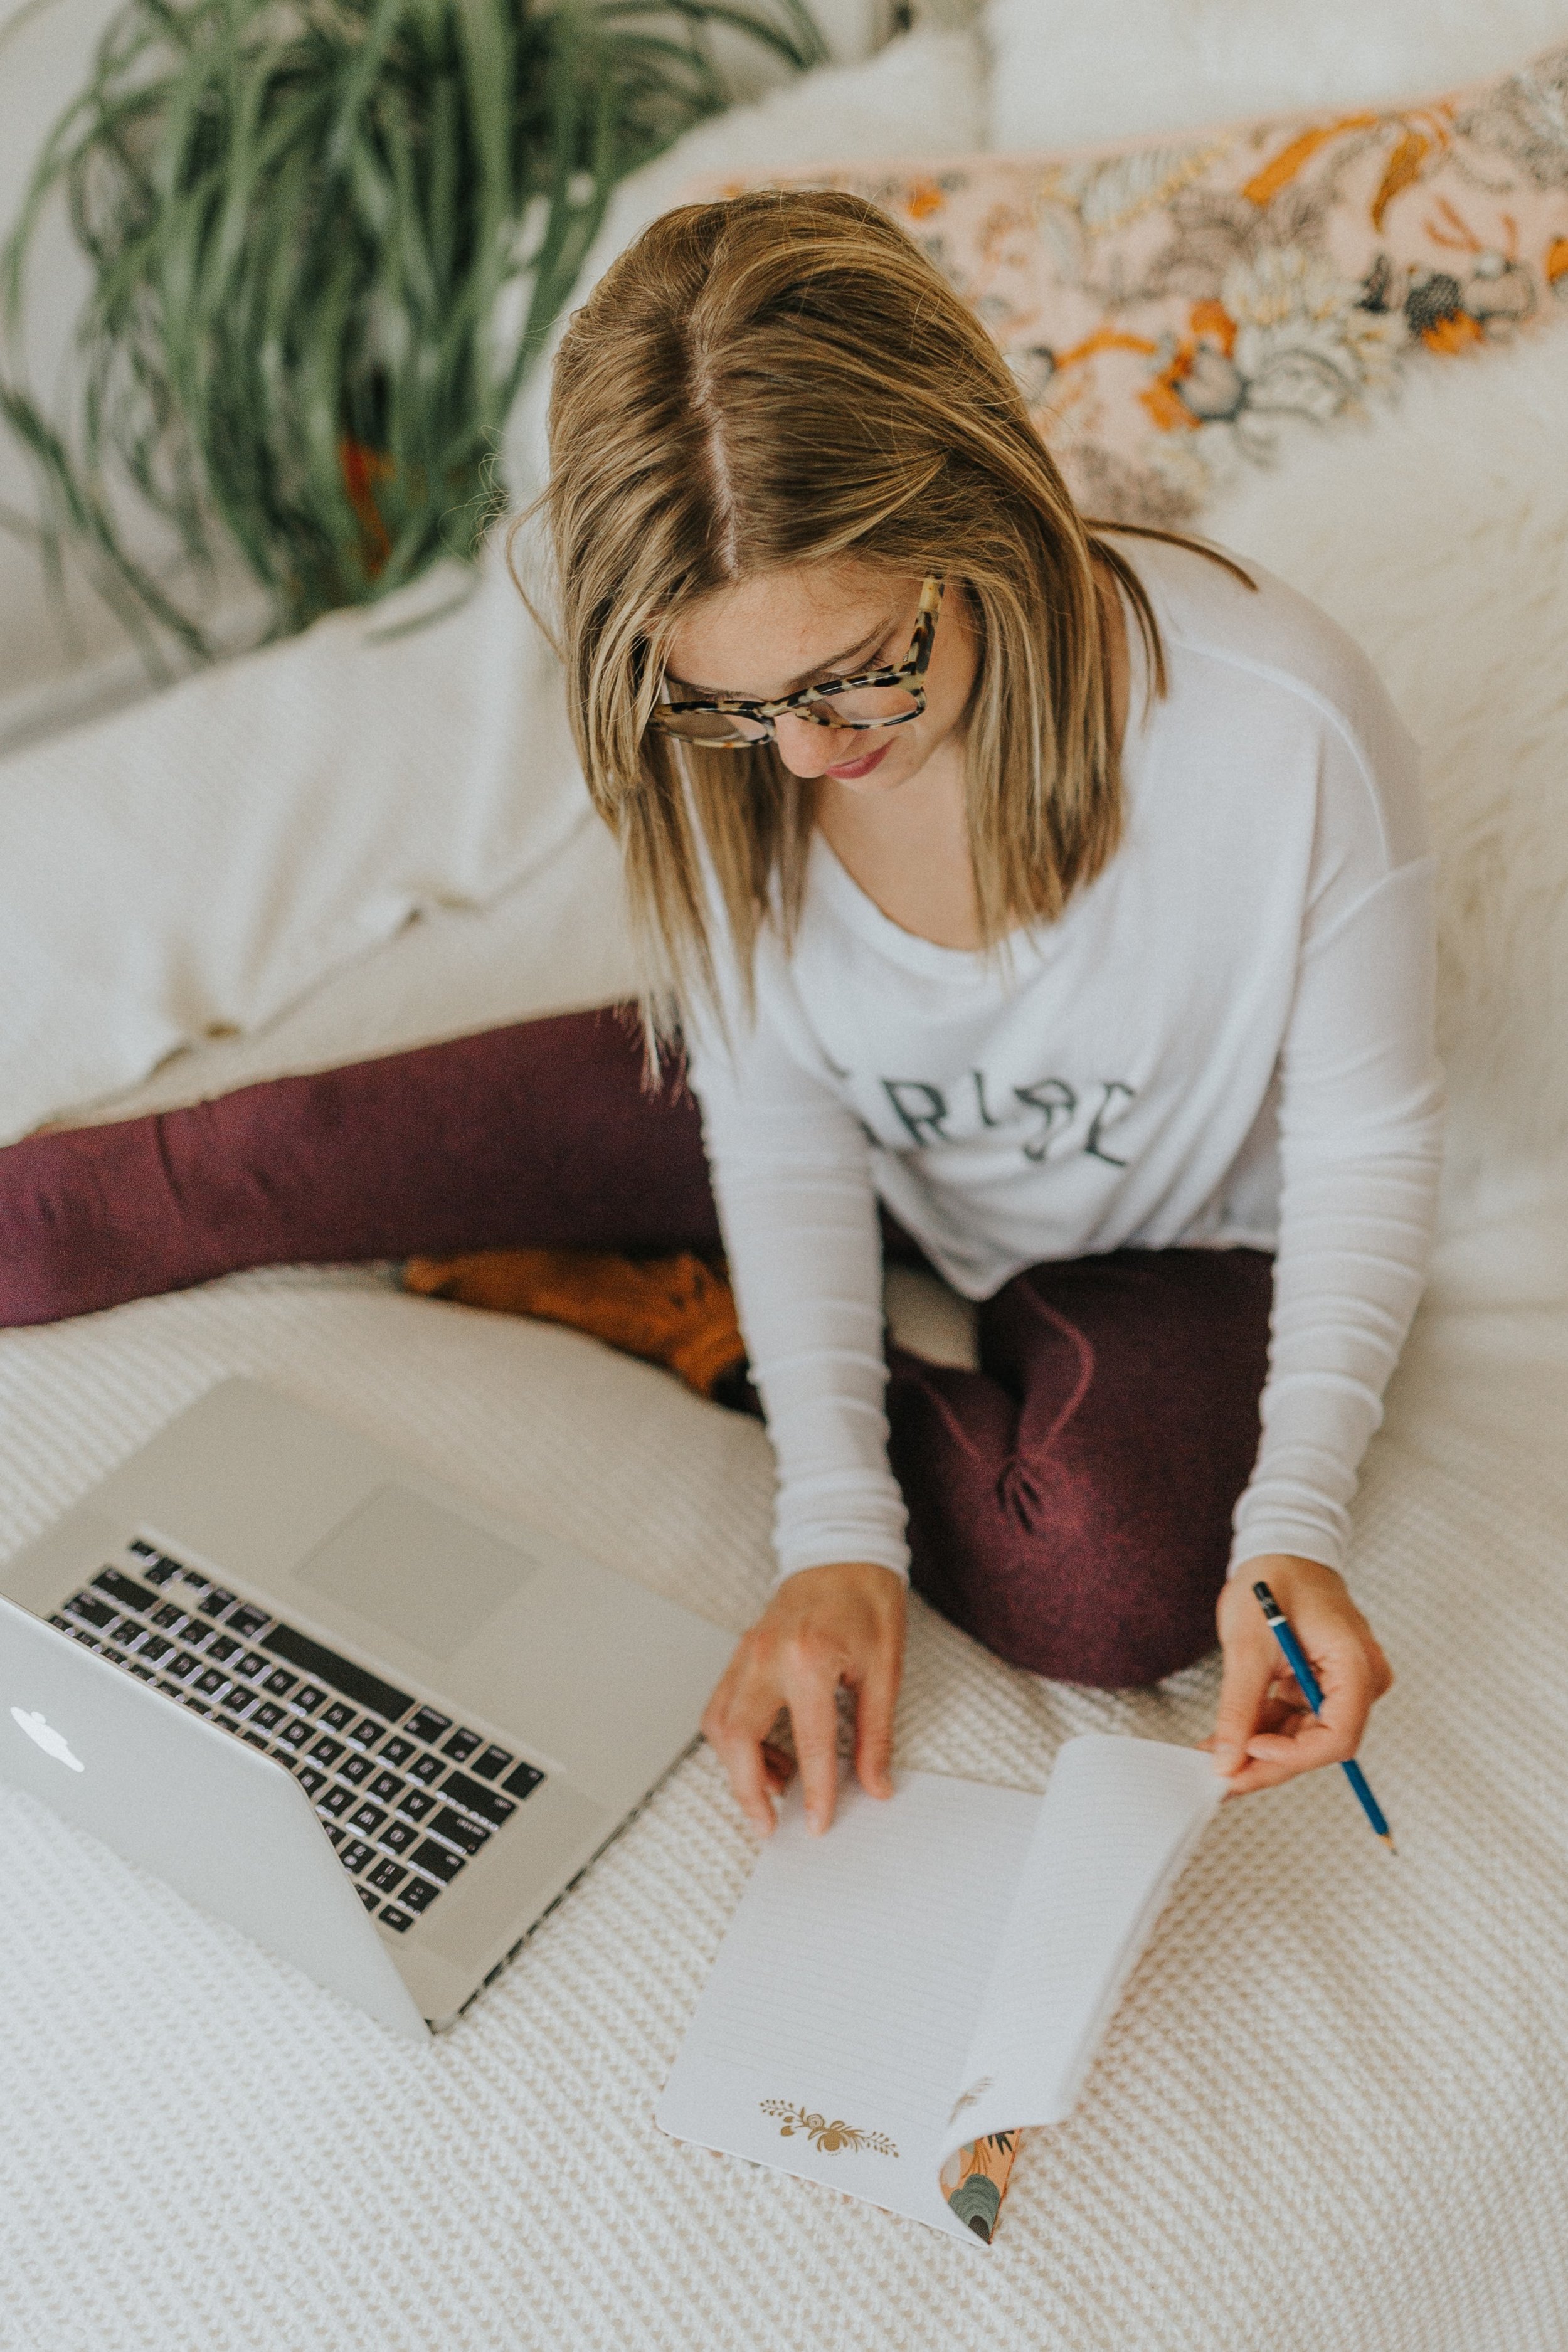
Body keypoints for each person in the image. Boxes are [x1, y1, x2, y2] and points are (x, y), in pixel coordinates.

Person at [514, 186, 1441, 1837]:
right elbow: (780, 1125)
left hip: (1164, 1251)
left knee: (1091, 1580)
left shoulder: (1275, 723)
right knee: (217, 1170)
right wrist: (834, 1538)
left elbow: (1366, 1135)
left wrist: (1289, 1528)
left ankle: (687, 1316)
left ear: (983, 521)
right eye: (734, 708)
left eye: (854, 670)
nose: (803, 757)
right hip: (854, 1138)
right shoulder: (717, 746)